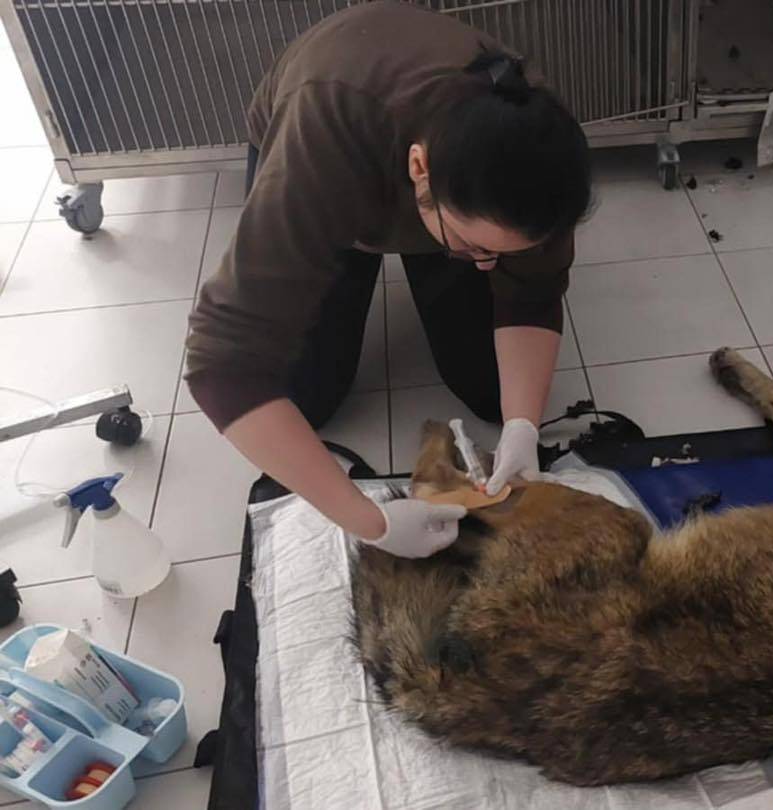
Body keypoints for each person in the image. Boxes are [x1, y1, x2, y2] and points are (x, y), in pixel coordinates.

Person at [185, 1, 591, 559]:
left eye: (504, 254)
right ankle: (380, 251)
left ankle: (445, 250)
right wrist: (369, 520)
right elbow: (223, 367)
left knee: (489, 390)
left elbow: (534, 293)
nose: (488, 266)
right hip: (336, 146)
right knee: (306, 396)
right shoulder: (321, 138)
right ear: (419, 170)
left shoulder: (536, 155)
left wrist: (522, 425)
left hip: (441, 192)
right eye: (474, 248)